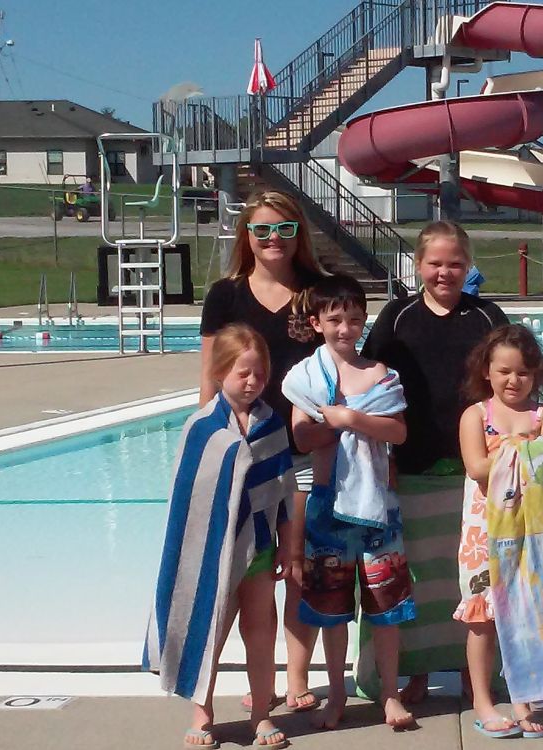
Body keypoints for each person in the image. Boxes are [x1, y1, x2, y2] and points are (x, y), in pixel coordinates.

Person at [358, 221, 509, 705]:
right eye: (435, 263)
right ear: (419, 265)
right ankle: (415, 669)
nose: (445, 272)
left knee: (476, 575)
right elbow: (369, 384)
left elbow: (510, 383)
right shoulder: (398, 317)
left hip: (475, 470)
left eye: (455, 263)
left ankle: (475, 671)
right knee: (416, 580)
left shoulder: (486, 317)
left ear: (468, 266)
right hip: (412, 466)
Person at [199, 190, 330, 714]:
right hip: (244, 456)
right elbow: (209, 381)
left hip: (301, 453)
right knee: (241, 574)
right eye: (262, 231)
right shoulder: (224, 295)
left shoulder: (316, 293)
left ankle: (296, 679)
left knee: (299, 567)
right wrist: (209, 450)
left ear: (300, 234)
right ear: (246, 237)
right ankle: (247, 684)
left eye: (285, 229)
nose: (273, 239)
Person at [144, 324, 293, 750]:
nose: (252, 382)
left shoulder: (271, 424)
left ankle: (261, 715)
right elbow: (189, 504)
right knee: (209, 626)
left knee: (260, 630)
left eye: (259, 374)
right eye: (242, 373)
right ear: (219, 373)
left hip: (260, 547)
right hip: (213, 552)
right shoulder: (201, 427)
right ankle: (202, 712)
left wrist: (288, 545)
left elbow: (282, 490)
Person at [282, 274, 416, 731]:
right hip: (326, 503)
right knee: (331, 608)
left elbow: (397, 432)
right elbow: (302, 434)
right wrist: (341, 426)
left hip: (377, 504)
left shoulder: (381, 375)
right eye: (335, 319)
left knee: (386, 604)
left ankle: (390, 692)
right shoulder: (304, 378)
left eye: (354, 319)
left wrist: (352, 417)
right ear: (317, 322)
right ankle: (336, 692)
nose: (345, 328)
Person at [455, 324, 543, 739]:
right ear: (487, 372)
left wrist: (513, 449)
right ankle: (482, 699)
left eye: (524, 372)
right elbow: (476, 467)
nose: (514, 380)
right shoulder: (476, 416)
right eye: (505, 371)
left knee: (528, 613)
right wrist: (523, 447)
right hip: (485, 531)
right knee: (483, 616)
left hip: (534, 535)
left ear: (538, 373)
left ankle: (524, 698)